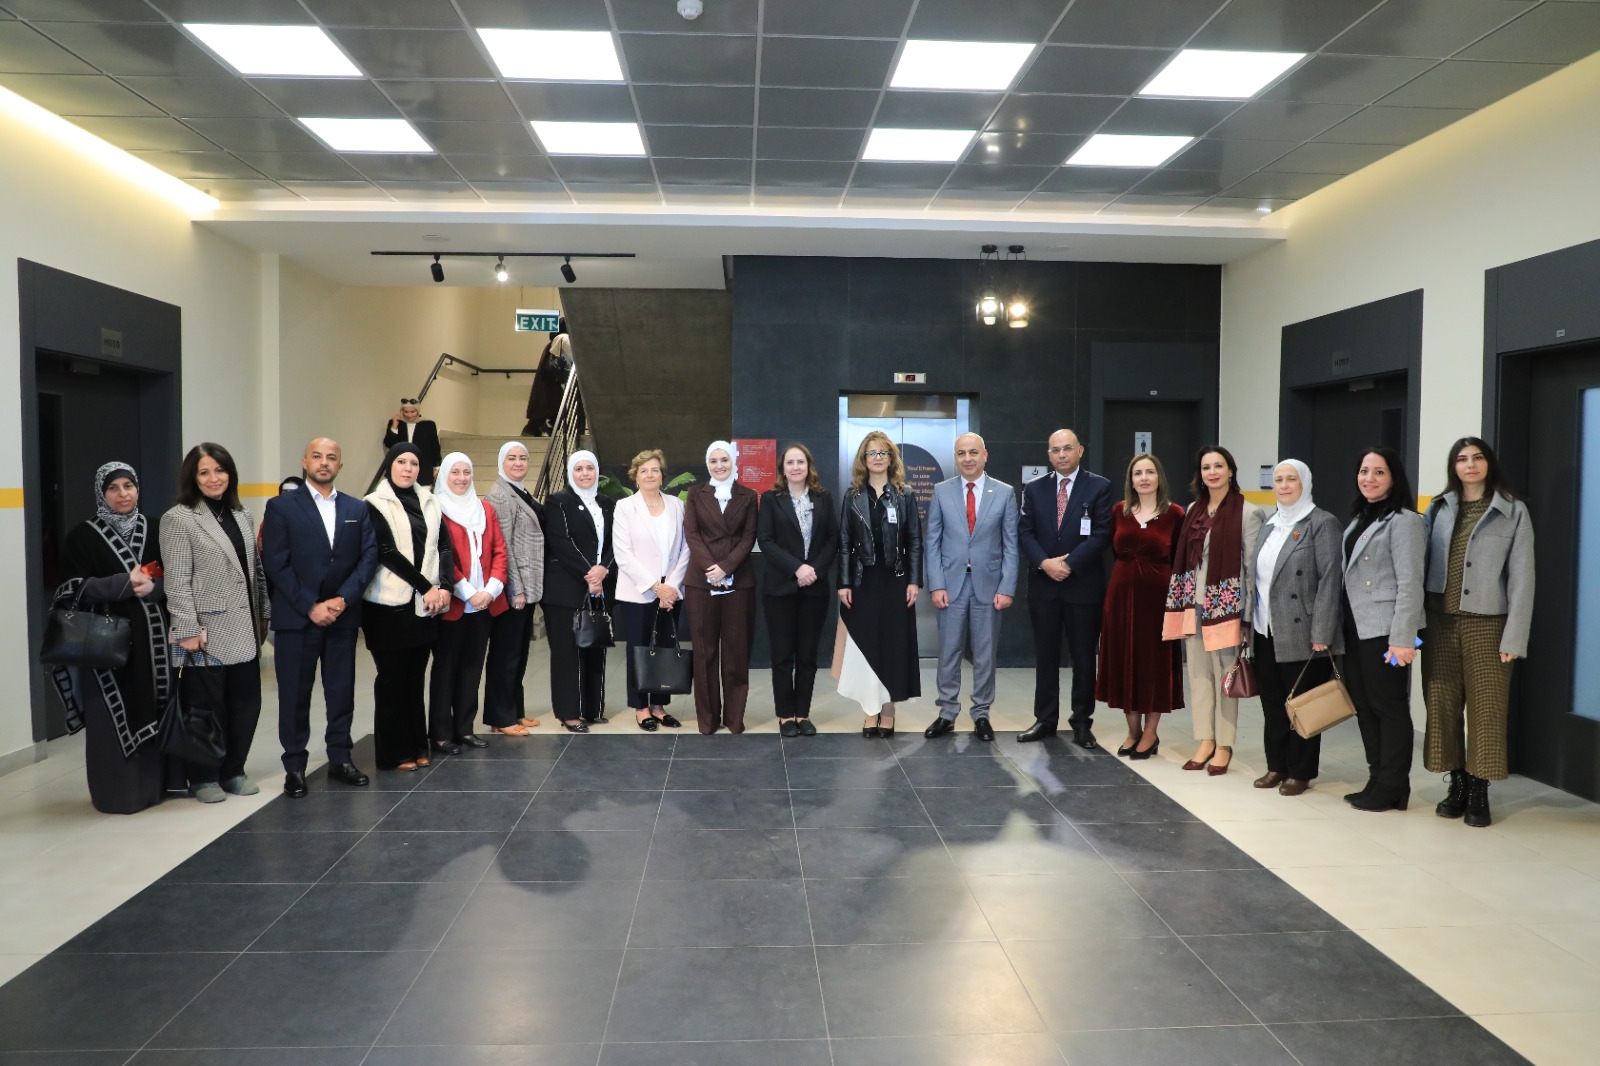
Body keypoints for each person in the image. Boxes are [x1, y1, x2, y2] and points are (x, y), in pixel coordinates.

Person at [1421, 436, 1534, 827]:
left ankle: (1479, 790)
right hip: (1439, 622)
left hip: (1488, 624)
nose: (1470, 465)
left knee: (1487, 709)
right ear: (1454, 466)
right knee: (1442, 705)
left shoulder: (1512, 510)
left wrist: (1515, 636)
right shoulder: (1438, 508)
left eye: (1478, 458)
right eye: (1462, 459)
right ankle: (1456, 785)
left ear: (1489, 464)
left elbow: (1523, 578)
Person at [260, 438, 378, 798]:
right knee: (294, 695)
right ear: (304, 462)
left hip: (342, 618)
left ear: (340, 465)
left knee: (341, 692)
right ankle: (295, 766)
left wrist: (342, 600)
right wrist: (311, 605)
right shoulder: (281, 507)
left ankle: (340, 758)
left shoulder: (357, 508)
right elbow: (275, 562)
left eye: (331, 457)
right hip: (297, 618)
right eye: (317, 456)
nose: (324, 462)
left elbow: (368, 557)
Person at [51, 462, 170, 814]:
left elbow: (178, 575)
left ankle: (154, 790)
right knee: (110, 719)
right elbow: (70, 589)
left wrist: (155, 587)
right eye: (113, 488)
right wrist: (122, 584)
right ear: (101, 494)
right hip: (107, 648)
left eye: (128, 486)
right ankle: (118, 795)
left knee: (155, 709)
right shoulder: (83, 537)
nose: (122, 494)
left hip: (154, 645)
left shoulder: (157, 529)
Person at [160, 443, 269, 803]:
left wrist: (263, 614)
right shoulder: (179, 519)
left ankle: (234, 770)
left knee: (246, 705)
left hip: (245, 627)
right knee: (205, 709)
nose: (213, 478)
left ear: (230, 474)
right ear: (192, 477)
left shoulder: (242, 514)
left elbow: (255, 571)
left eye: (219, 470)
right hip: (205, 632)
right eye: (204, 472)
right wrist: (187, 629)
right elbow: (177, 581)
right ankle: (203, 777)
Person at [1164, 446, 1262, 776]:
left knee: (1226, 677)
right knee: (1199, 675)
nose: (1213, 472)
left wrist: (1246, 615)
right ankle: (1205, 739)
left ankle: (1224, 744)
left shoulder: (1248, 512)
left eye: (1219, 466)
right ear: (1200, 474)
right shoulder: (1194, 509)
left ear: (1231, 471)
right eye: (1206, 467)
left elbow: (1251, 569)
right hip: (1193, 605)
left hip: (1227, 608)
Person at [1251, 459, 1344, 797]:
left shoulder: (1322, 523)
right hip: (1265, 629)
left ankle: (1300, 771)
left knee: (1302, 706)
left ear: (1305, 483)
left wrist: (1322, 632)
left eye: (1291, 479)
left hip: (1304, 631)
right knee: (1273, 704)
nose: (1284, 485)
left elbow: (1330, 580)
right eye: (1278, 479)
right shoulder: (1270, 523)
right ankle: (1276, 765)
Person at [1017, 428, 1114, 747]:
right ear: (1048, 454)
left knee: (1084, 658)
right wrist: (1045, 563)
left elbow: (1101, 535)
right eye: (1055, 450)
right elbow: (1025, 532)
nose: (1061, 454)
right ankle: (1045, 719)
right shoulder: (1035, 489)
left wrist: (1069, 564)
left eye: (1067, 448)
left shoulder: (1099, 486)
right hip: (1044, 587)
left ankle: (1082, 722)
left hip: (1083, 587)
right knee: (1045, 657)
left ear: (1080, 451)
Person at [1341, 447, 1426, 812]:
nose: (1369, 478)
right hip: (1357, 629)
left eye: (1379, 472)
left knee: (1388, 706)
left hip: (1387, 634)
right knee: (1364, 706)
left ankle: (1393, 785)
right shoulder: (1360, 517)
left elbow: (1411, 583)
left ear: (1393, 478)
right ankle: (1377, 779)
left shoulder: (1404, 521)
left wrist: (1404, 639)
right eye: (1364, 471)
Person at [362, 443, 453, 771]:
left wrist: (445, 586)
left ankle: (417, 745)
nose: (408, 468)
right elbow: (386, 551)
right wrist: (427, 587)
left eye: (414, 463)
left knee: (415, 678)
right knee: (392, 679)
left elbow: (444, 546)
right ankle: (393, 753)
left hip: (424, 606)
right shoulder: (373, 503)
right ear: (389, 465)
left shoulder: (430, 501)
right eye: (401, 461)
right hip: (388, 606)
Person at [923, 432, 1018, 742]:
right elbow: (932, 542)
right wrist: (936, 584)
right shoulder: (941, 491)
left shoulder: (1004, 493)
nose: (967, 459)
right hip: (950, 586)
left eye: (973, 452)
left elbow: (1011, 545)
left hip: (989, 587)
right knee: (949, 651)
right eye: (961, 453)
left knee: (985, 654)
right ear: (955, 457)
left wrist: (1007, 587)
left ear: (985, 455)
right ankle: (947, 712)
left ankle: (981, 713)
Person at [1098, 453, 1185, 759]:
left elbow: (1180, 559)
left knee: (1154, 663)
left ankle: (1150, 732)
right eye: (1138, 473)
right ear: (1131, 480)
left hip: (1158, 601)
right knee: (1125, 659)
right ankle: (1133, 730)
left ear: (1159, 478)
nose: (1144, 478)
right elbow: (1113, 550)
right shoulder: (1118, 512)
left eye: (1150, 472)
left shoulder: (1175, 514)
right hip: (1121, 598)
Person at [837, 432, 922, 738]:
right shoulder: (852, 496)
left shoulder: (904, 494)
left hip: (895, 581)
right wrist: (844, 582)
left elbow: (914, 541)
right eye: (871, 453)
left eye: (883, 453)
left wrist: (915, 581)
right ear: (864, 459)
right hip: (863, 582)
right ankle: (870, 711)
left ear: (891, 458)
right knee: (867, 646)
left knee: (893, 646)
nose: (877, 458)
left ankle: (888, 710)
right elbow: (844, 543)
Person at [429, 452, 509, 755]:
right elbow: (440, 556)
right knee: (446, 669)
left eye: (466, 472)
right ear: (444, 476)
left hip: (484, 604)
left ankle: (464, 728)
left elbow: (500, 550)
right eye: (455, 472)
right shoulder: (436, 509)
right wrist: (466, 591)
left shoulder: (484, 508)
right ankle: (440, 733)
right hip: (454, 603)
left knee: (472, 668)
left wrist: (490, 590)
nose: (462, 478)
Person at [757, 443, 839, 737]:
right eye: (790, 462)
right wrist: (797, 568)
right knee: (782, 655)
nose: (795, 467)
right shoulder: (771, 499)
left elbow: (832, 539)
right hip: (780, 589)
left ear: (809, 466)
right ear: (782, 468)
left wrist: (813, 570)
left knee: (807, 655)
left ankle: (802, 713)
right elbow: (766, 541)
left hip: (815, 589)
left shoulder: (823, 497)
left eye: (800, 462)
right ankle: (785, 715)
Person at [536, 450, 615, 732]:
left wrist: (603, 569)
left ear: (597, 471)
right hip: (564, 589)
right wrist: (590, 573)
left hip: (599, 587)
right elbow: (561, 542)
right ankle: (569, 713)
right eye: (579, 469)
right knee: (566, 653)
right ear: (571, 472)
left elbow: (615, 542)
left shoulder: (607, 503)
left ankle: (592, 709)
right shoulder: (558, 501)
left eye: (589, 468)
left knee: (595, 647)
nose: (584, 474)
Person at [613, 449, 691, 732]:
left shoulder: (676, 505)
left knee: (665, 647)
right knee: (639, 647)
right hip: (639, 592)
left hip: (671, 590)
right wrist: (656, 587)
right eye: (643, 471)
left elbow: (686, 548)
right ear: (635, 476)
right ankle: (641, 707)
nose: (649, 475)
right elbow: (623, 554)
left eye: (655, 470)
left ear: (662, 475)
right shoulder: (625, 507)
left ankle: (659, 706)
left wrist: (671, 586)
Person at [684, 440, 759, 734]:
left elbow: (749, 537)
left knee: (736, 652)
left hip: (738, 582)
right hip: (701, 583)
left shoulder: (748, 495)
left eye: (724, 460)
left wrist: (726, 568)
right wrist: (711, 569)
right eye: (714, 461)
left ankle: (734, 718)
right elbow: (692, 534)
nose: (719, 465)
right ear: (707, 464)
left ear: (733, 462)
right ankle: (708, 720)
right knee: (704, 653)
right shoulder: (695, 494)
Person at [483, 441, 545, 736]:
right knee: (505, 655)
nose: (518, 463)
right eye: (512, 458)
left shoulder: (519, 491)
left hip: (527, 589)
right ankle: (500, 717)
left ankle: (515, 711)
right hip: (512, 591)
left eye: (523, 458)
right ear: (501, 462)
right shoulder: (500, 495)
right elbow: (502, 547)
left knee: (518, 654)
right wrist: (515, 590)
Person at [523, 319, 572, 436]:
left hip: (548, 384)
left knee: (549, 412)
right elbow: (552, 365)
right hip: (550, 385)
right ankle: (540, 430)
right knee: (552, 412)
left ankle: (544, 429)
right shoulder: (560, 341)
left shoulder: (553, 343)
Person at [384, 399, 442, 486]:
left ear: (418, 410)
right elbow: (389, 444)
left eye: (412, 412)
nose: (409, 415)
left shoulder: (428, 425)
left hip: (423, 470)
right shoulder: (397, 423)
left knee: (422, 493)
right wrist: (394, 427)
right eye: (406, 412)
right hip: (402, 469)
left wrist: (437, 466)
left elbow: (435, 447)